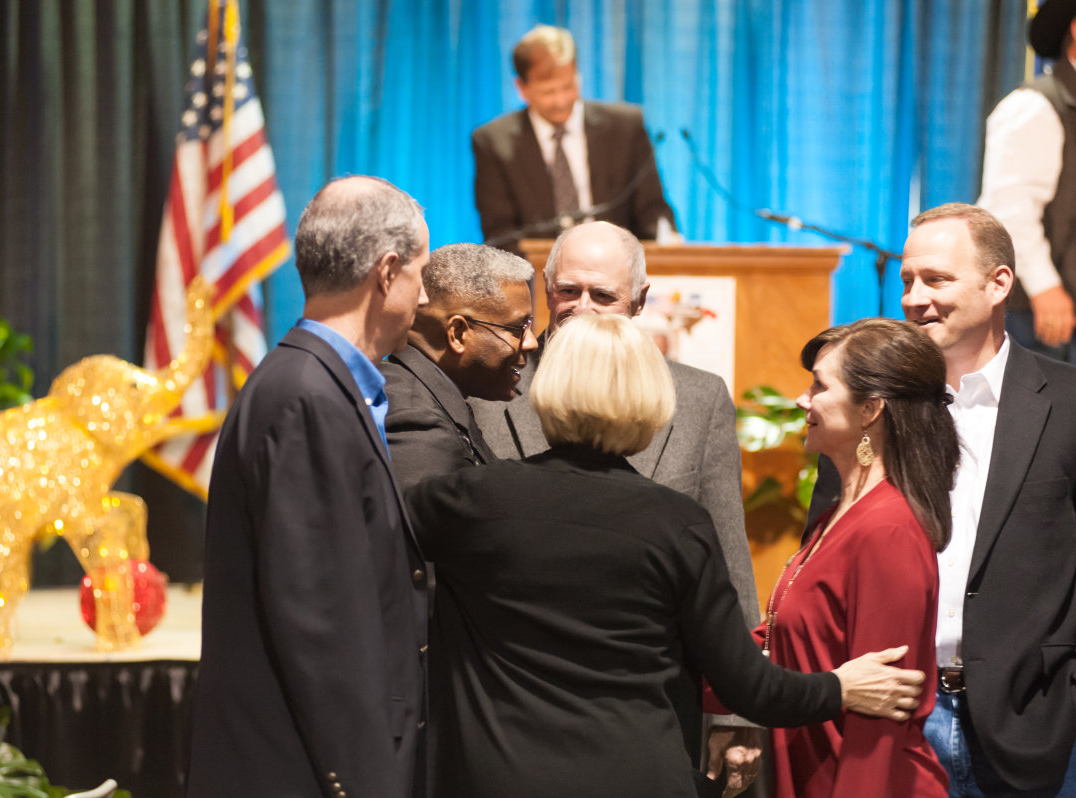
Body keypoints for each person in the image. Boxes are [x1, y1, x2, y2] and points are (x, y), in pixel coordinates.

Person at [408, 312, 927, 798]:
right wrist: (838, 688)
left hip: (496, 777)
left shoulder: (469, 500)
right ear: (652, 397)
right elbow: (748, 687)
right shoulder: (677, 523)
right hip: (639, 777)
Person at [810, 203, 1076, 796]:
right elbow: (824, 554)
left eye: (936, 279)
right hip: (891, 720)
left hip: (1037, 727)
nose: (914, 297)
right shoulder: (869, 406)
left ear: (999, 282)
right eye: (907, 280)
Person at [469, 220, 763, 786]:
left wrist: (735, 710)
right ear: (545, 293)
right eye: (568, 291)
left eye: (603, 295)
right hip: (510, 713)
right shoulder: (486, 392)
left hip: (650, 713)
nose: (582, 307)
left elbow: (728, 560)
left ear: (639, 302)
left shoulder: (697, 399)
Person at [187, 176, 431, 798]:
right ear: (387, 271)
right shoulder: (305, 397)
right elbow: (323, 625)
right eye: (419, 275)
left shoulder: (308, 383)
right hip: (306, 774)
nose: (424, 297)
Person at [708, 317, 956, 797]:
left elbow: (878, 720)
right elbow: (775, 646)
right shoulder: (840, 515)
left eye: (819, 386)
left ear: (870, 409)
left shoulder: (887, 530)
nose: (803, 400)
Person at [979, 0, 1076, 382]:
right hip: (1049, 321)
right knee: (1053, 430)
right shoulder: (1035, 106)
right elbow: (1010, 209)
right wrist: (1046, 289)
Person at [472, 24, 676, 252]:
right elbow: (499, 233)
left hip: (618, 270)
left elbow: (652, 211)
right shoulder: (493, 142)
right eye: (548, 92)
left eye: (569, 86)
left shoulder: (625, 127)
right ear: (522, 88)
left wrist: (668, 246)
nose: (561, 101)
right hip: (539, 277)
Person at [380, 243, 537, 490]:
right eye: (518, 328)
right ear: (458, 333)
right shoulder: (418, 422)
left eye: (530, 325)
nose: (531, 342)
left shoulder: (424, 395)